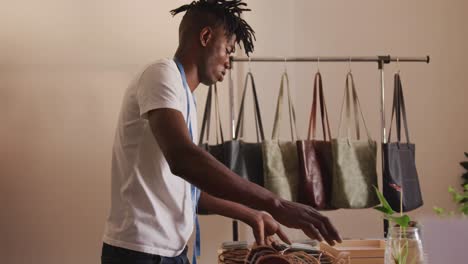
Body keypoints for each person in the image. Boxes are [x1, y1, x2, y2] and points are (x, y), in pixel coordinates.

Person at [101, 1, 342, 263]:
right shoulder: (161, 73)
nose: (229, 62)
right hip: (140, 253)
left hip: (170, 252)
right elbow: (183, 159)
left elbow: (191, 190)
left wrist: (251, 213)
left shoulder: (184, 97)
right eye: (228, 50)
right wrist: (276, 204)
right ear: (205, 37)